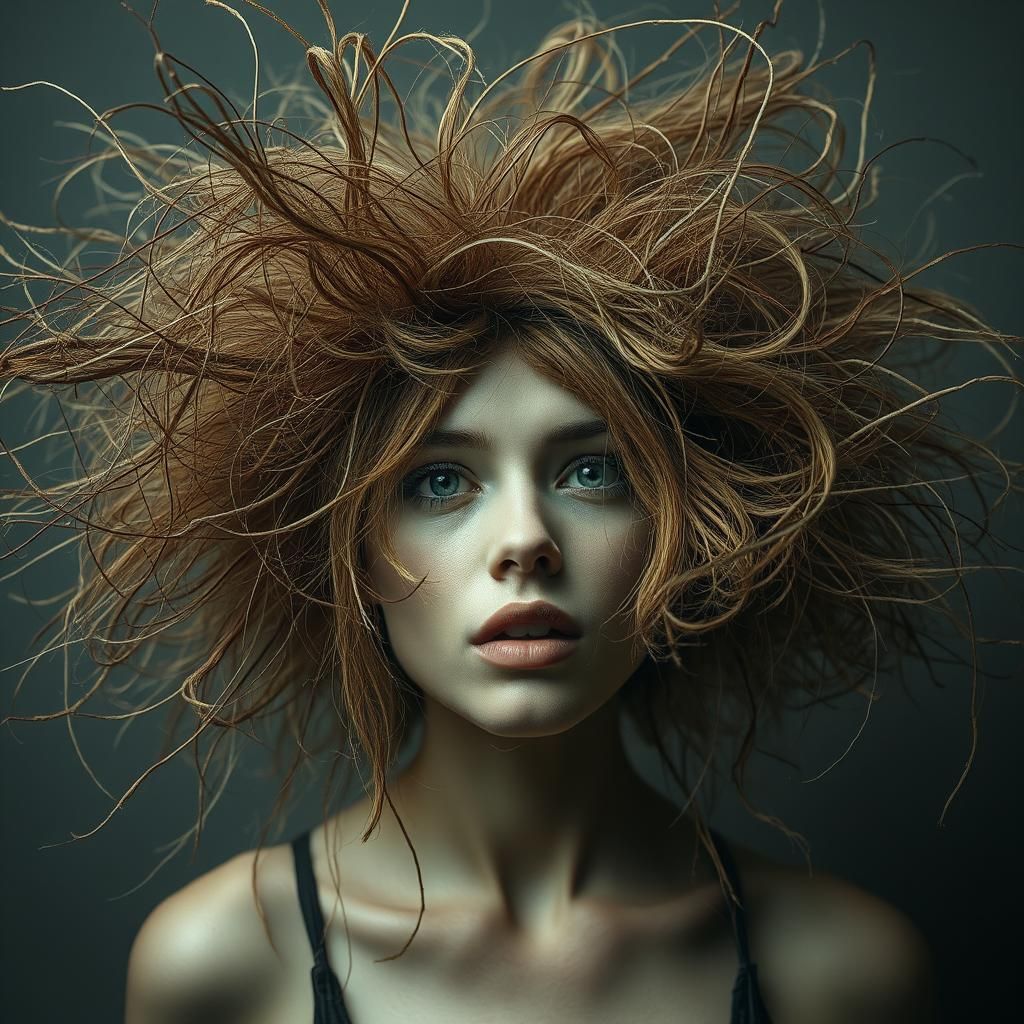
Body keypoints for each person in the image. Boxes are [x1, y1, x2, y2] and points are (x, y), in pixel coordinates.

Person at [1, 2, 1016, 1021]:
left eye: (592, 472)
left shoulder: (845, 973)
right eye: (439, 481)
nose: (526, 541)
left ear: (694, 525)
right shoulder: (217, 965)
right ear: (347, 546)